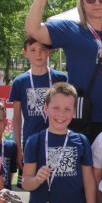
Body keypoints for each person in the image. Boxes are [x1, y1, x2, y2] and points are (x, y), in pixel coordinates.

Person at [25, 0, 102, 142]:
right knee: (84, 169)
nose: (97, 2)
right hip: (84, 118)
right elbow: (33, 29)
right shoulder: (71, 30)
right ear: (82, 3)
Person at [9, 36, 68, 168]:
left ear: (49, 52)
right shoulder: (20, 82)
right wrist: (19, 148)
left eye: (42, 49)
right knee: (32, 182)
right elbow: (17, 118)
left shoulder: (60, 78)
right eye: (33, 50)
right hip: (31, 140)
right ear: (25, 52)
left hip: (57, 139)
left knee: (57, 181)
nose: (38, 54)